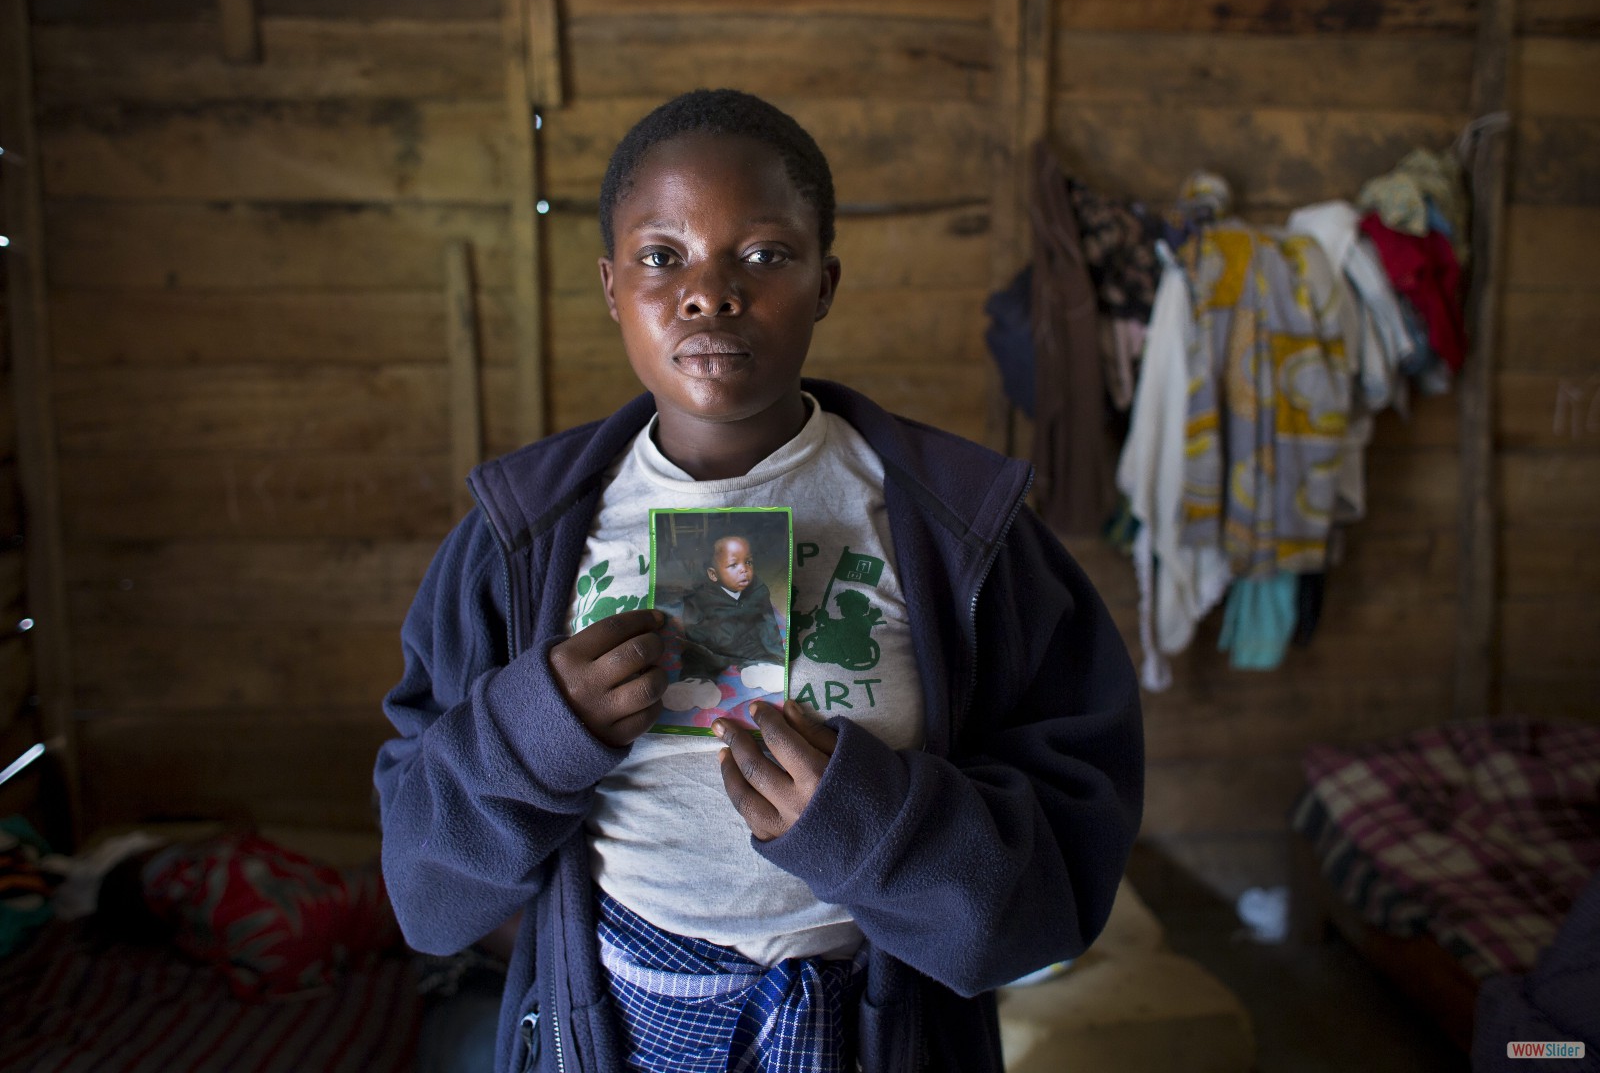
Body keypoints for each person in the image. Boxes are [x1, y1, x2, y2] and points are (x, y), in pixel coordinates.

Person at [376, 88, 1143, 1073]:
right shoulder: (518, 538)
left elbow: (1055, 896)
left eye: (763, 254)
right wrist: (532, 735)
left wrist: (874, 824)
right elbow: (425, 892)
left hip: (875, 1026)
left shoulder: (962, 532)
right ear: (612, 286)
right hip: (611, 1022)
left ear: (824, 282)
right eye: (662, 257)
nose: (710, 292)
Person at [677, 533, 785, 682]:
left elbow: (768, 623)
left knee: (765, 656)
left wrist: (778, 656)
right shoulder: (701, 597)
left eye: (748, 562)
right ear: (713, 574)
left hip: (749, 646)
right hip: (714, 646)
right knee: (697, 659)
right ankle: (696, 683)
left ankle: (761, 671)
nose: (744, 569)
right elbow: (694, 631)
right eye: (734, 565)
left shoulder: (758, 590)